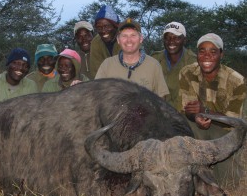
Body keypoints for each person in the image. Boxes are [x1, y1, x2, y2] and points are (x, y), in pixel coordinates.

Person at [179, 33, 247, 187]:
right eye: (202, 51)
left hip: (225, 131)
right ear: (197, 54)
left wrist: (205, 110)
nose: (206, 56)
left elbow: (234, 122)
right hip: (197, 126)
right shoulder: (187, 73)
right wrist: (195, 116)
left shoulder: (237, 81)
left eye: (213, 51)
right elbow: (187, 110)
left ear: (221, 54)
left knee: (230, 184)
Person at [95, 18, 169, 98]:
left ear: (141, 38)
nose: (129, 40)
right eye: (124, 36)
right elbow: (95, 95)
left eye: (133, 35)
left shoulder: (154, 65)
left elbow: (161, 100)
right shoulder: (107, 65)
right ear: (118, 40)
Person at [152, 22, 196, 109]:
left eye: (177, 38)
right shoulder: (154, 59)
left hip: (183, 115)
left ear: (184, 40)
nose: (171, 41)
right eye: (167, 38)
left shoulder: (193, 62)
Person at [90, 5, 121, 78]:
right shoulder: (96, 42)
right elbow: (96, 72)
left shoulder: (125, 39)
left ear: (115, 26)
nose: (103, 31)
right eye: (99, 28)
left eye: (107, 26)